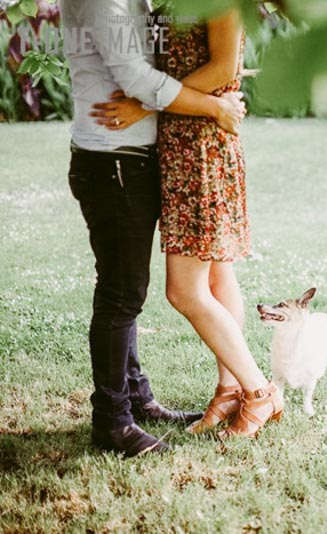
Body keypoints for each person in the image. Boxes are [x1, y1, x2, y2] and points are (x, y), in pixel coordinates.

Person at [61, 0, 248, 457]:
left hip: (129, 159)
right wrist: (213, 106)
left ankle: (136, 398)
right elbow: (136, 78)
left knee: (125, 290)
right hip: (113, 160)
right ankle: (112, 422)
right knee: (121, 294)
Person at [92, 6, 283, 440]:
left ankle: (259, 391)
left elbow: (222, 65)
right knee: (217, 274)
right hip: (184, 142)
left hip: (202, 147)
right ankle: (230, 390)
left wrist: (146, 104)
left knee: (184, 290)